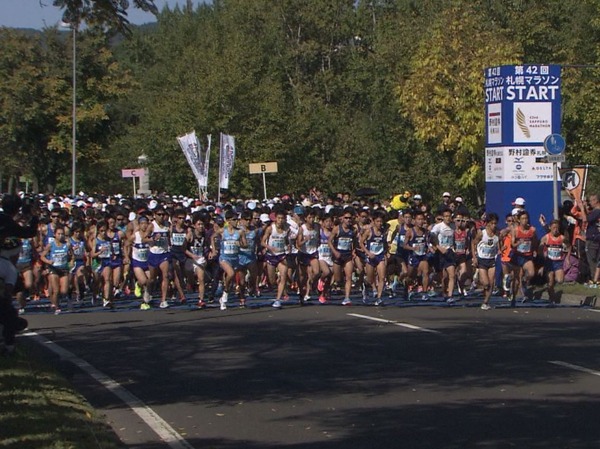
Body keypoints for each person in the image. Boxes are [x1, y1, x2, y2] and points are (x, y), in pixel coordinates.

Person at [262, 209, 290, 309]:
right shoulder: (270, 228)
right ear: (275, 219)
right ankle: (276, 283)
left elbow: (286, 240)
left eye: (282, 218)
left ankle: (278, 300)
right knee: (272, 280)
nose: (280, 220)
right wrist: (269, 248)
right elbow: (262, 242)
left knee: (284, 277)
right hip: (271, 256)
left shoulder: (287, 229)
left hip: (281, 255)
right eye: (279, 218)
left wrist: (288, 246)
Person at [472, 213, 501, 310]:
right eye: (492, 223)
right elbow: (473, 243)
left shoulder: (498, 233)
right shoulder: (481, 233)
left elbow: (498, 244)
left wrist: (500, 249)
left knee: (491, 283)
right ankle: (478, 280)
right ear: (487, 223)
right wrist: (474, 257)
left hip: (491, 260)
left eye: (495, 223)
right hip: (482, 260)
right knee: (486, 283)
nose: (494, 225)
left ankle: (485, 302)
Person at [329, 208, 357, 306]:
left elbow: (354, 242)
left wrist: (354, 251)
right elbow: (329, 241)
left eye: (350, 218)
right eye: (346, 218)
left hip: (348, 256)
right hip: (338, 256)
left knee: (349, 277)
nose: (348, 220)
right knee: (338, 279)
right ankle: (335, 284)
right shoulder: (337, 228)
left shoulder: (353, 230)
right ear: (342, 219)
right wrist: (335, 251)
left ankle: (347, 298)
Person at [359, 209, 388, 305]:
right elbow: (361, 243)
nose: (379, 224)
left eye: (381, 221)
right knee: (370, 278)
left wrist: (386, 252)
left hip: (380, 256)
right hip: (370, 256)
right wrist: (367, 252)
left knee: (382, 277)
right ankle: (366, 286)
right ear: (374, 221)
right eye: (377, 221)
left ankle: (379, 298)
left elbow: (385, 243)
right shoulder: (369, 231)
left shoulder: (384, 231)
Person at [539, 219, 571, 304]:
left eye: (557, 228)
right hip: (549, 262)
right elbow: (540, 249)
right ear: (550, 228)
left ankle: (553, 293)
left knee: (560, 280)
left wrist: (567, 258)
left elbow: (569, 247)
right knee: (550, 282)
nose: (555, 230)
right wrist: (543, 255)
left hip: (558, 262)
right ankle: (551, 298)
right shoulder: (546, 237)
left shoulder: (562, 238)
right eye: (554, 228)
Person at [510, 210, 539, 302]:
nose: (525, 220)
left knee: (531, 273)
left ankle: (524, 280)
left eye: (526, 218)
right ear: (519, 220)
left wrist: (534, 250)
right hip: (517, 256)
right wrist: (518, 243)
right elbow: (512, 245)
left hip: (527, 256)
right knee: (516, 279)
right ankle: (513, 296)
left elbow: (535, 241)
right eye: (523, 218)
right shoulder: (515, 230)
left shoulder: (532, 230)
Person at [430, 208, 457, 303]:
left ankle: (450, 295)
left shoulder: (453, 226)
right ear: (442, 217)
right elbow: (431, 237)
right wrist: (438, 247)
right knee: (443, 276)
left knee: (452, 275)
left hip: (449, 252)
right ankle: (442, 290)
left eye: (449, 216)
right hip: (440, 252)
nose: (447, 218)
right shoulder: (438, 227)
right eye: (445, 216)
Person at [296, 208, 320, 304]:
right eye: (309, 217)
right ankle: (301, 294)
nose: (311, 219)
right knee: (302, 277)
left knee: (317, 272)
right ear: (305, 218)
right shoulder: (302, 228)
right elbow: (298, 243)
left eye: (313, 217)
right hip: (303, 253)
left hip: (313, 252)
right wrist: (305, 240)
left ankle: (312, 283)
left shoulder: (317, 226)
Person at [581, 194, 600, 287]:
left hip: (593, 239)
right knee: (597, 260)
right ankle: (595, 279)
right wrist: (585, 207)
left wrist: (581, 208)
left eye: (592, 200)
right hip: (596, 238)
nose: (590, 202)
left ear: (596, 201)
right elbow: (590, 215)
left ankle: (594, 280)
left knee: (592, 260)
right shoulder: (595, 212)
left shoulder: (597, 211)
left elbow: (586, 219)